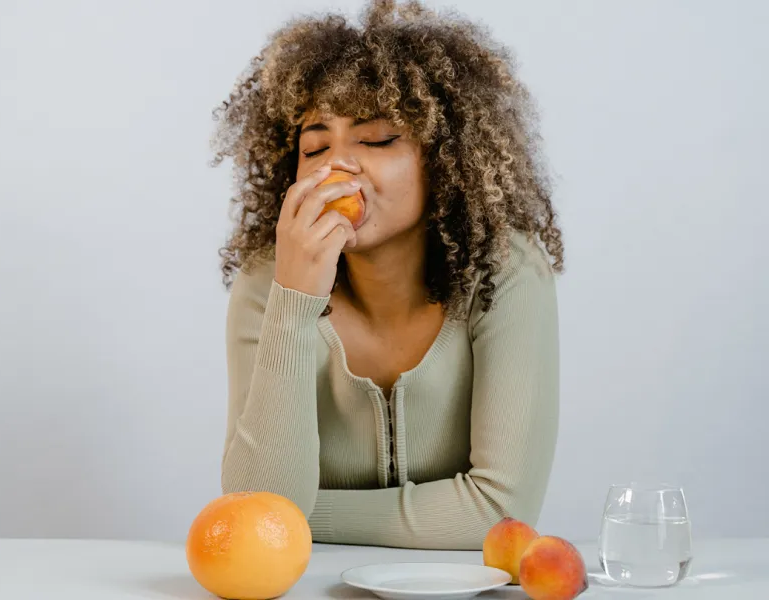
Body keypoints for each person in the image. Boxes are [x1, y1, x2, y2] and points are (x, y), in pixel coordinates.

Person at [210, 0, 564, 550]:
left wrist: (304, 518)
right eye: (314, 144)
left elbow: (501, 512)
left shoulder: (505, 271)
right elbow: (259, 517)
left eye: (377, 139)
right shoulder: (268, 284)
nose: (337, 165)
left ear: (445, 158)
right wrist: (294, 297)